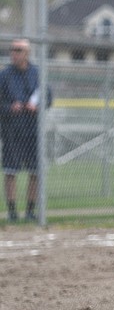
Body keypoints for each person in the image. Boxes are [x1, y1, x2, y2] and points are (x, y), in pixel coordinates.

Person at [0, 38, 50, 224]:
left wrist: (36, 106)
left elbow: (48, 97)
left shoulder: (36, 73)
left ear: (27, 53)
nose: (14, 53)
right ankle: (12, 212)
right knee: (10, 171)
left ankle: (30, 211)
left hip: (32, 130)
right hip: (12, 130)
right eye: (12, 49)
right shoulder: (4, 76)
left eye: (18, 50)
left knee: (35, 172)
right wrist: (8, 108)